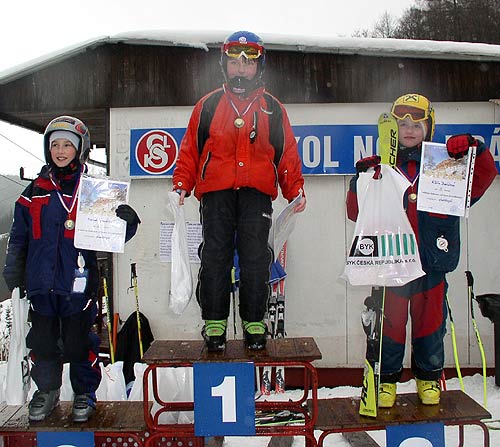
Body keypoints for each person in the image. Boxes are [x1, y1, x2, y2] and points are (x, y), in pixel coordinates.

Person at [346, 93, 496, 407]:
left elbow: (483, 177)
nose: (409, 130)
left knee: (430, 326)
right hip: (393, 265)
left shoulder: (447, 164)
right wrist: (360, 182)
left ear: (429, 127)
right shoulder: (383, 169)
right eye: (402, 124)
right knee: (389, 327)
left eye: (417, 124)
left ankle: (429, 378)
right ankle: (386, 381)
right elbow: (355, 212)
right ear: (393, 128)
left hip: (432, 262)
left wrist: (477, 149)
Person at [172, 31, 306, 352]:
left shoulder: (272, 108)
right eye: (234, 63)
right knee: (215, 255)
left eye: (248, 63)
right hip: (216, 193)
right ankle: (214, 321)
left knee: (255, 257)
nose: (241, 70)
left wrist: (294, 189)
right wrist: (181, 185)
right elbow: (190, 150)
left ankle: (254, 320)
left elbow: (286, 152)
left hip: (256, 194)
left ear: (259, 66)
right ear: (224, 65)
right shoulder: (207, 105)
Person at [3, 116, 140, 422]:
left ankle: (84, 393)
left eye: (68, 145)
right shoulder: (34, 192)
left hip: (78, 283)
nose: (61, 151)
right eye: (55, 145)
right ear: (48, 149)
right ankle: (47, 391)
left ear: (80, 149)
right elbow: (19, 237)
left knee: (79, 342)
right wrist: (14, 273)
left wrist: (127, 222)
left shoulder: (94, 191)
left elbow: (112, 235)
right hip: (41, 283)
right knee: (43, 341)